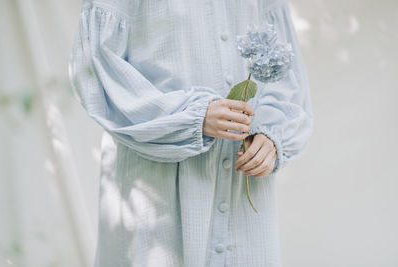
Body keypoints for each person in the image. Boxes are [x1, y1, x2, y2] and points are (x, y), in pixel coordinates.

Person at [68, 0, 314, 266]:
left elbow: (285, 69)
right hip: (156, 191)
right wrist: (190, 117)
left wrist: (271, 133)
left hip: (244, 191)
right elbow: (96, 64)